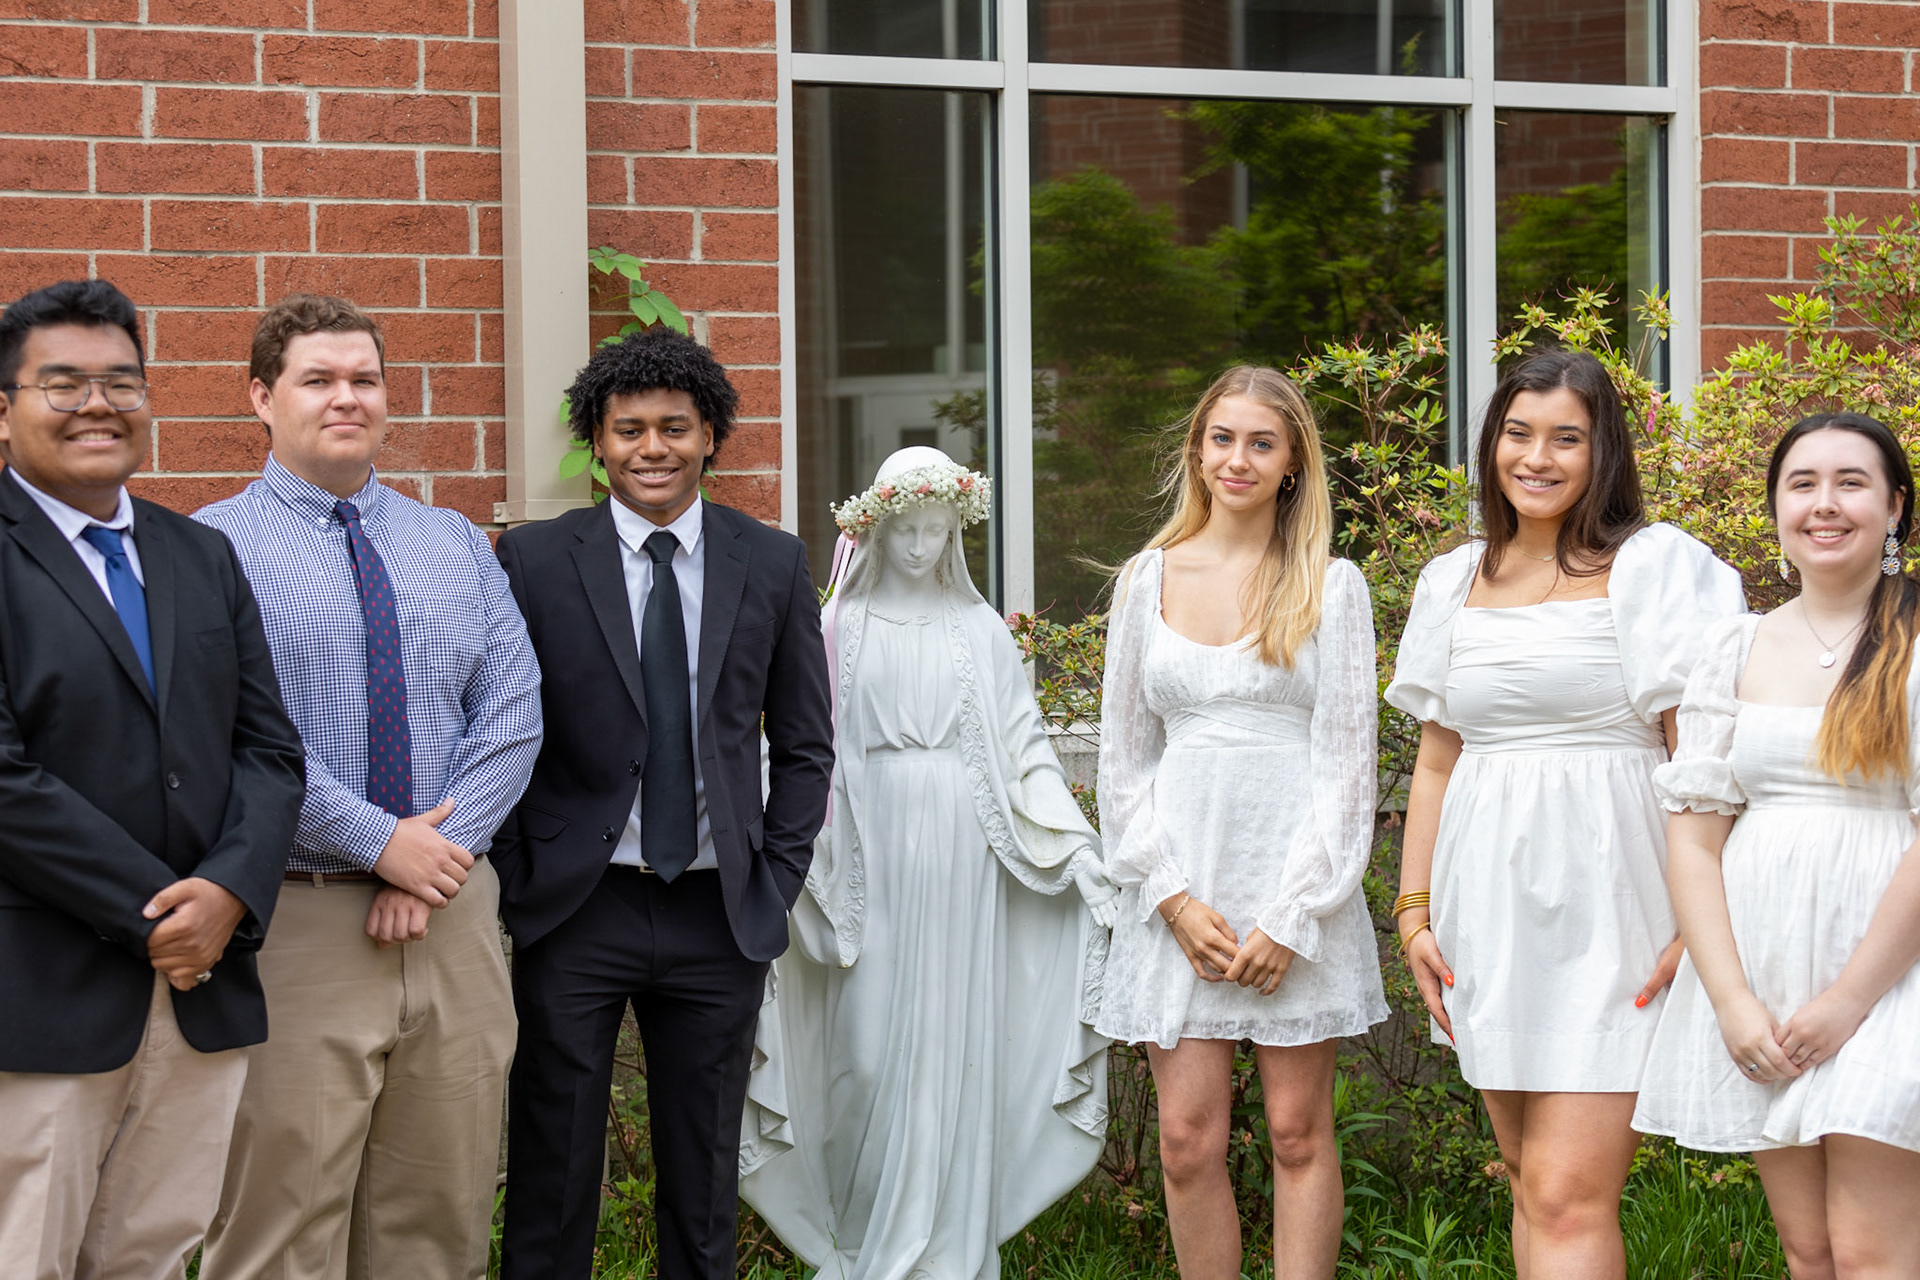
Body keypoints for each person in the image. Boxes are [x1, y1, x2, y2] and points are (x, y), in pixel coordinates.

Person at [194, 294, 542, 1280]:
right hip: (298, 923)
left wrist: (432, 860)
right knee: (277, 1230)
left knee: (438, 1222)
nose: (347, 397)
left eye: (365, 378)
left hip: (454, 921)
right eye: (318, 378)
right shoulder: (208, 550)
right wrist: (378, 840)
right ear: (262, 396)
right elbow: (227, 733)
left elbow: (513, 716)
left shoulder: (455, 541)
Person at [1385, 347, 1745, 1278]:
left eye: (1566, 438)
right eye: (1518, 433)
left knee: (1565, 1191)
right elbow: (1436, 759)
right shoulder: (1452, 579)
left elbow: (1698, 759)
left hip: (1619, 901)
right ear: (1492, 442)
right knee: (1523, 1176)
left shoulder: (1656, 566)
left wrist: (1700, 924)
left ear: (1604, 452)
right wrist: (1413, 909)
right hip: (1488, 911)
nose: (1536, 457)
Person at [494, 327, 833, 1280]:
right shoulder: (535, 560)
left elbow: (805, 743)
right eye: (628, 429)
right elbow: (502, 726)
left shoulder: (769, 562)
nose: (653, 448)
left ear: (712, 435)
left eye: (675, 428)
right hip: (577, 902)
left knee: (703, 1175)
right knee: (552, 1166)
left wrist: (778, 873)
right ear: (596, 443)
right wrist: (522, 869)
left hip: (720, 909)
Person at [737, 447, 1120, 1279]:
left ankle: (948, 1246)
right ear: (874, 530)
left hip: (962, 847)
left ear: (956, 532)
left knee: (954, 1041)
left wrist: (1075, 847)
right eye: (904, 529)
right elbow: (802, 746)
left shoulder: (976, 630)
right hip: (863, 849)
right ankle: (864, 1239)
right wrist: (779, 849)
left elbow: (1026, 753)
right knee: (865, 1048)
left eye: (934, 530)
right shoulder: (842, 624)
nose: (917, 547)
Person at [0, 279, 306, 1277]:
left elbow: (269, 749)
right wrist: (158, 911)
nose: (99, 402)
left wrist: (226, 892)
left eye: (121, 380)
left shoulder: (199, 553)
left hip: (200, 992)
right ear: (4, 409)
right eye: (63, 382)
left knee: (150, 1254)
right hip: (41, 996)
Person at [1095, 366, 1387, 1280]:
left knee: (1298, 1134)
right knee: (1186, 1139)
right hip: (1179, 893)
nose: (1238, 458)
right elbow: (1121, 761)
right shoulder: (1147, 580)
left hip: (1292, 889)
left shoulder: (1331, 587)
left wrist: (1294, 917)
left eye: (1262, 442)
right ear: (1198, 449)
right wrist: (1171, 899)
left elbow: (1347, 769)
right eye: (1222, 438)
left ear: (1293, 461)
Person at [1634, 412, 1920, 1277]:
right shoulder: (1736, 646)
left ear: (1896, 508)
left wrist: (1846, 1002)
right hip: (1766, 970)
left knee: (1873, 1251)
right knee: (1810, 1251)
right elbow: (1694, 842)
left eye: (1851, 482)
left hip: (1890, 975)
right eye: (1803, 484)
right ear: (1775, 510)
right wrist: (1730, 1000)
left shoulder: (1913, 644)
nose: (1825, 505)